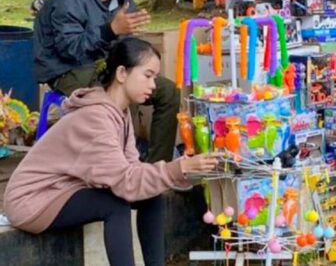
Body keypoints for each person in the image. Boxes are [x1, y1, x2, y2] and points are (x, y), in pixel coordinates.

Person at [4, 37, 221, 266]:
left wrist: (178, 171)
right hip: (33, 199)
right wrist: (178, 168)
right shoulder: (96, 119)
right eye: (147, 76)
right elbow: (126, 183)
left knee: (151, 194)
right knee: (114, 205)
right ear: (122, 74)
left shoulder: (120, 112)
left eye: (154, 77)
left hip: (64, 189)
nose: (154, 85)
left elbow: (132, 168)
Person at [33, 0, 180, 163]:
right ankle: (120, 168)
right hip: (67, 69)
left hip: (104, 66)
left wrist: (141, 58)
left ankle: (155, 170)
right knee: (122, 88)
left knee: (168, 91)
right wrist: (110, 30)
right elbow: (70, 49)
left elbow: (125, 49)